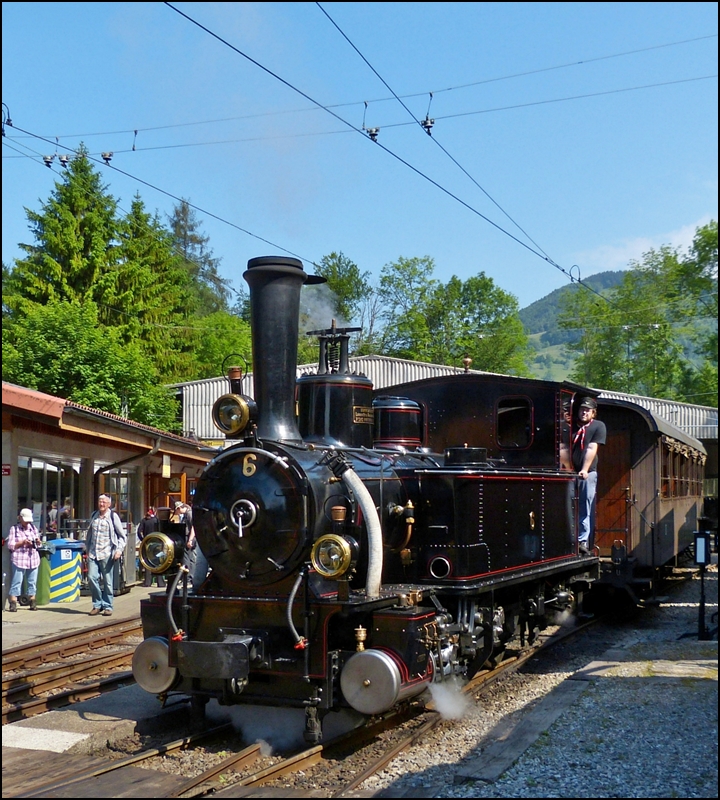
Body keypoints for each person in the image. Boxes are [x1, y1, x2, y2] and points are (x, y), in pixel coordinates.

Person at [571, 397, 606, 555]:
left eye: (587, 410)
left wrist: (584, 470)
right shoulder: (571, 427)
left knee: (585, 505)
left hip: (587, 473)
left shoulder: (598, 426)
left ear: (593, 413)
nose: (583, 412)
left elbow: (592, 448)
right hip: (570, 473)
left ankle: (582, 540)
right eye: (581, 409)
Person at [84, 494, 127, 616]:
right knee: (92, 578)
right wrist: (86, 547)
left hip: (107, 553)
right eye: (100, 501)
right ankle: (97, 604)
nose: (101, 504)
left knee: (108, 581)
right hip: (93, 552)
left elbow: (121, 536)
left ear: (109, 504)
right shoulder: (94, 515)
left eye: (104, 502)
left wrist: (119, 550)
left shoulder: (113, 517)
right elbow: (90, 533)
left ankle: (108, 606)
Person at [7, 509, 42, 611]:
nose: (27, 523)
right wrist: (22, 543)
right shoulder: (14, 529)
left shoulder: (33, 528)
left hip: (33, 558)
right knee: (17, 581)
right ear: (20, 518)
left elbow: (38, 544)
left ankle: (32, 601)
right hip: (19, 559)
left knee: (32, 581)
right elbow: (11, 545)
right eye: (25, 520)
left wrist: (37, 542)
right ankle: (13, 602)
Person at [176, 500, 209, 589]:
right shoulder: (187, 514)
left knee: (192, 558)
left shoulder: (189, 514)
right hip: (190, 538)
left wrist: (190, 540)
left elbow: (194, 527)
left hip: (191, 538)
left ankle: (190, 577)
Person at [136, 507, 165, 588]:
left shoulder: (144, 520)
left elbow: (139, 531)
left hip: (147, 542)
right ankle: (160, 582)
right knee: (158, 562)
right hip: (157, 542)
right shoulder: (157, 520)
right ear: (155, 512)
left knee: (147, 562)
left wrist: (143, 539)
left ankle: (147, 582)